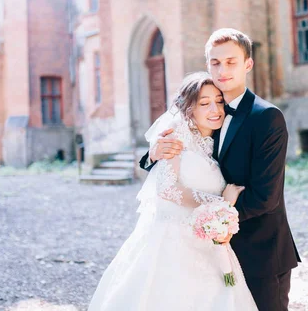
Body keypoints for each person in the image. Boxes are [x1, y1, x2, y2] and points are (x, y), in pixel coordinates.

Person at [140, 28, 301, 311]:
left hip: (259, 250)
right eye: (215, 62)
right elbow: (176, 148)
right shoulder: (206, 110)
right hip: (209, 252)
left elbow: (266, 196)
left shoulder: (267, 118)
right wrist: (152, 154)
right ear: (207, 65)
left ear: (247, 64)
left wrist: (220, 218)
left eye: (231, 61)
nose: (222, 69)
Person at [88, 72, 258, 311]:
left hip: (208, 241)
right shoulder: (174, 136)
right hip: (172, 240)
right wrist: (222, 202)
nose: (215, 109)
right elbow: (167, 189)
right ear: (189, 108)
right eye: (204, 103)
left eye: (219, 101)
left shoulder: (213, 137)